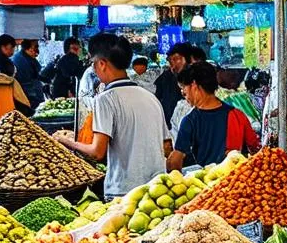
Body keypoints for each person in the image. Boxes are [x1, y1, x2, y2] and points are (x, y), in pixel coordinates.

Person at [53, 32, 172, 199]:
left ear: (102, 64)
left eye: (93, 63)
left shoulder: (105, 100)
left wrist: (66, 141)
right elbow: (167, 147)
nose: (93, 68)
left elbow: (96, 152)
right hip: (157, 191)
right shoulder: (150, 97)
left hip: (123, 193)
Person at [167, 61, 259, 170]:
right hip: (236, 181)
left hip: (207, 183)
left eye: (183, 88)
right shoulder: (237, 115)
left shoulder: (189, 121)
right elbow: (256, 150)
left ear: (194, 85)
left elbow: (176, 159)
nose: (183, 93)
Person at [155, 43, 205, 125]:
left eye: (175, 59)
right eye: (170, 61)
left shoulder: (200, 80)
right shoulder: (165, 78)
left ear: (190, 60)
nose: (173, 66)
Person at [12, 39, 45, 113]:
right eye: (36, 47)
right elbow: (28, 85)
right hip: (30, 99)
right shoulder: (21, 61)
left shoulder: (27, 57)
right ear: (29, 49)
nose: (37, 50)